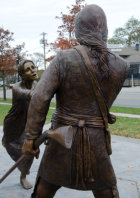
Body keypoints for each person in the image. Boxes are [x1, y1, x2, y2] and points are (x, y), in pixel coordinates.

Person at [22, 4, 129, 198]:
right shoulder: (122, 66)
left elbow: (39, 97)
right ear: (104, 30)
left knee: (44, 188)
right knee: (106, 190)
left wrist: (30, 138)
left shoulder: (63, 59)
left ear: (79, 29)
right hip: (96, 141)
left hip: (62, 138)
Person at [2, 60, 38, 189]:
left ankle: (23, 176)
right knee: (19, 151)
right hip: (13, 125)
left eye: (33, 67)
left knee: (29, 152)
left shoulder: (37, 84)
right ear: (22, 75)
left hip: (27, 125)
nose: (33, 70)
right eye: (28, 69)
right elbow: (35, 95)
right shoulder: (17, 87)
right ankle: (6, 141)